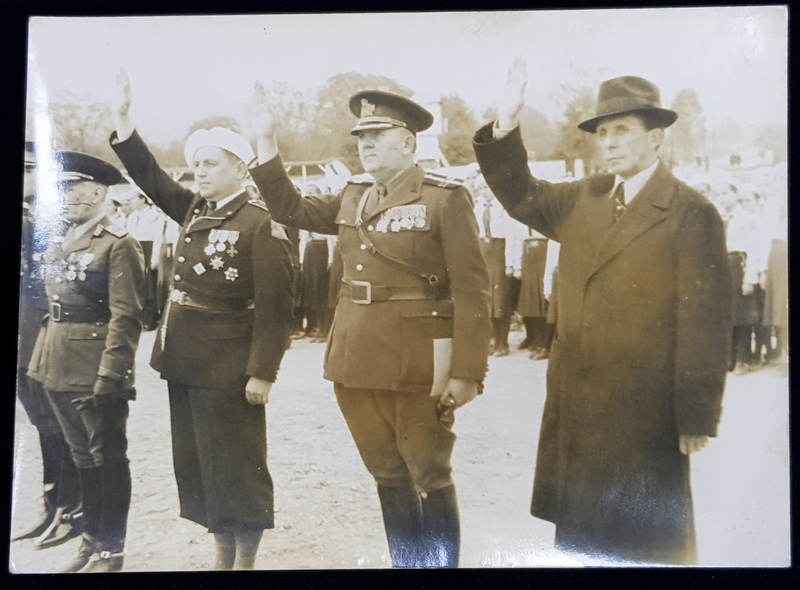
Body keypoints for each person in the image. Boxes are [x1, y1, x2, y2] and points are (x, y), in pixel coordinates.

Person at [473, 59, 732, 565]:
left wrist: (695, 415)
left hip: (645, 414)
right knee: (581, 545)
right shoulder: (583, 198)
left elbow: (705, 322)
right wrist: (505, 125)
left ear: (656, 139)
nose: (608, 142)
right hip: (578, 402)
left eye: (622, 131)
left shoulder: (690, 212)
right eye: (602, 132)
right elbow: (520, 193)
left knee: (648, 546)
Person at [249, 86, 491, 568]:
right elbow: (290, 209)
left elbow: (473, 290)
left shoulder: (444, 198)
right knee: (386, 472)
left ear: (408, 142)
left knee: (428, 471)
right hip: (356, 356)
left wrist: (467, 371)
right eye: (361, 135)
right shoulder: (354, 194)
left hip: (417, 359)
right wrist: (265, 145)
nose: (366, 143)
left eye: (378, 134)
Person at [109, 68, 295, 570]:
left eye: (210, 165)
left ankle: (246, 559)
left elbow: (278, 306)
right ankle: (222, 551)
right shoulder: (196, 211)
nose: (199, 175)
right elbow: (150, 177)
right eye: (195, 168)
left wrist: (263, 370)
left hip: (231, 365)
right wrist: (124, 120)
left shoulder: (261, 222)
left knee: (238, 466)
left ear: (240, 168)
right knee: (199, 465)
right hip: (186, 358)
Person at [27, 151, 145, 572]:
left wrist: (111, 374)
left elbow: (126, 315)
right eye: (60, 190)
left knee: (107, 457)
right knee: (81, 457)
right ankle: (91, 540)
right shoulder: (64, 238)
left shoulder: (118, 243)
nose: (65, 198)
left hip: (94, 367)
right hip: (56, 360)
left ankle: (111, 548)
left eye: (72, 188)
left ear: (98, 191)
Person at [14, 142, 83, 550]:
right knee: (43, 425)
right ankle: (53, 505)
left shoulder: (57, 224)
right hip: (24, 340)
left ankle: (69, 509)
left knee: (59, 425)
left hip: (45, 335)